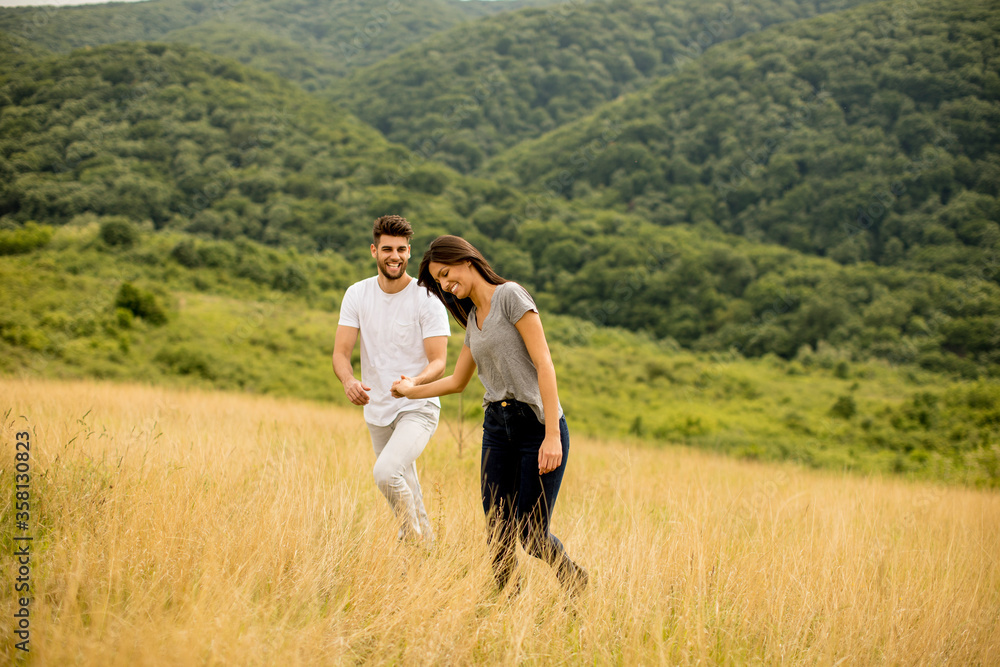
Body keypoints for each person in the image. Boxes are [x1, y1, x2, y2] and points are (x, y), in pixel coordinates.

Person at [391, 235, 587, 594]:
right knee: (498, 530)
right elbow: (456, 381)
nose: (447, 285)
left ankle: (574, 580)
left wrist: (552, 434)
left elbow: (544, 364)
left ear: (467, 260)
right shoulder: (473, 320)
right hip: (497, 426)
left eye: (447, 274)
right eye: (440, 282)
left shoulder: (510, 296)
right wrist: (411, 390)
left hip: (536, 425)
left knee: (531, 534)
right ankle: (504, 603)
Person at [332, 215, 450, 542]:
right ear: (374, 251)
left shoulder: (427, 298)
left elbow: (438, 362)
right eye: (387, 249)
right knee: (406, 483)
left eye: (400, 249)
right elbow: (341, 354)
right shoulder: (357, 294)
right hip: (377, 409)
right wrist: (349, 381)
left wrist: (413, 384)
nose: (394, 256)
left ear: (409, 252)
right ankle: (426, 553)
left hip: (418, 406)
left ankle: (409, 540)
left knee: (385, 474)